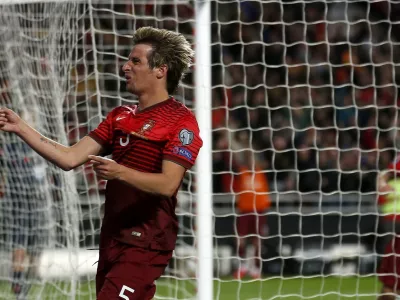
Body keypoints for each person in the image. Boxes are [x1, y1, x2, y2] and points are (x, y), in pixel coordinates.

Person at [0, 26, 203, 300]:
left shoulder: (180, 121)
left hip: (145, 243)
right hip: (112, 238)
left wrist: (119, 171)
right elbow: (69, 157)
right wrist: (21, 127)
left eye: (135, 61)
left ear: (160, 70)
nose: (125, 66)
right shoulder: (119, 116)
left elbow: (168, 185)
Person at [232, 131, 271, 279]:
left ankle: (255, 268)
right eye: (249, 157)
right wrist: (244, 142)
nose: (251, 160)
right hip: (244, 210)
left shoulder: (261, 172)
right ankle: (242, 266)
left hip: (259, 210)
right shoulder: (242, 172)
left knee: (257, 241)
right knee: (240, 239)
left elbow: (256, 156)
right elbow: (241, 155)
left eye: (253, 157)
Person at [376, 155, 400, 299]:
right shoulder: (392, 184)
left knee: (391, 255)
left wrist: (382, 178)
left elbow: (381, 195)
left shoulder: (391, 184)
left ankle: (390, 285)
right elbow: (381, 196)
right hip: (391, 222)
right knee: (391, 255)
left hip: (391, 221)